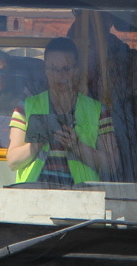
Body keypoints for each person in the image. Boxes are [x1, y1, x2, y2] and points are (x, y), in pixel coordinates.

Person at [6, 37, 116, 187]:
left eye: (66, 69)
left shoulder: (98, 110)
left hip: (82, 197)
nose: (59, 75)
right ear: (45, 70)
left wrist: (76, 146)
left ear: (76, 70)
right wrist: (38, 143)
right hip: (33, 195)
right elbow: (13, 162)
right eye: (53, 69)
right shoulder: (25, 107)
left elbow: (111, 165)